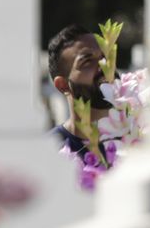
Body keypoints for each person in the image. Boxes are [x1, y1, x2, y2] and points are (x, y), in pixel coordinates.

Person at [46, 23, 112, 161]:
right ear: (63, 85)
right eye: (87, 61)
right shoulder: (49, 152)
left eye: (105, 57)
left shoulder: (140, 137)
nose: (104, 65)